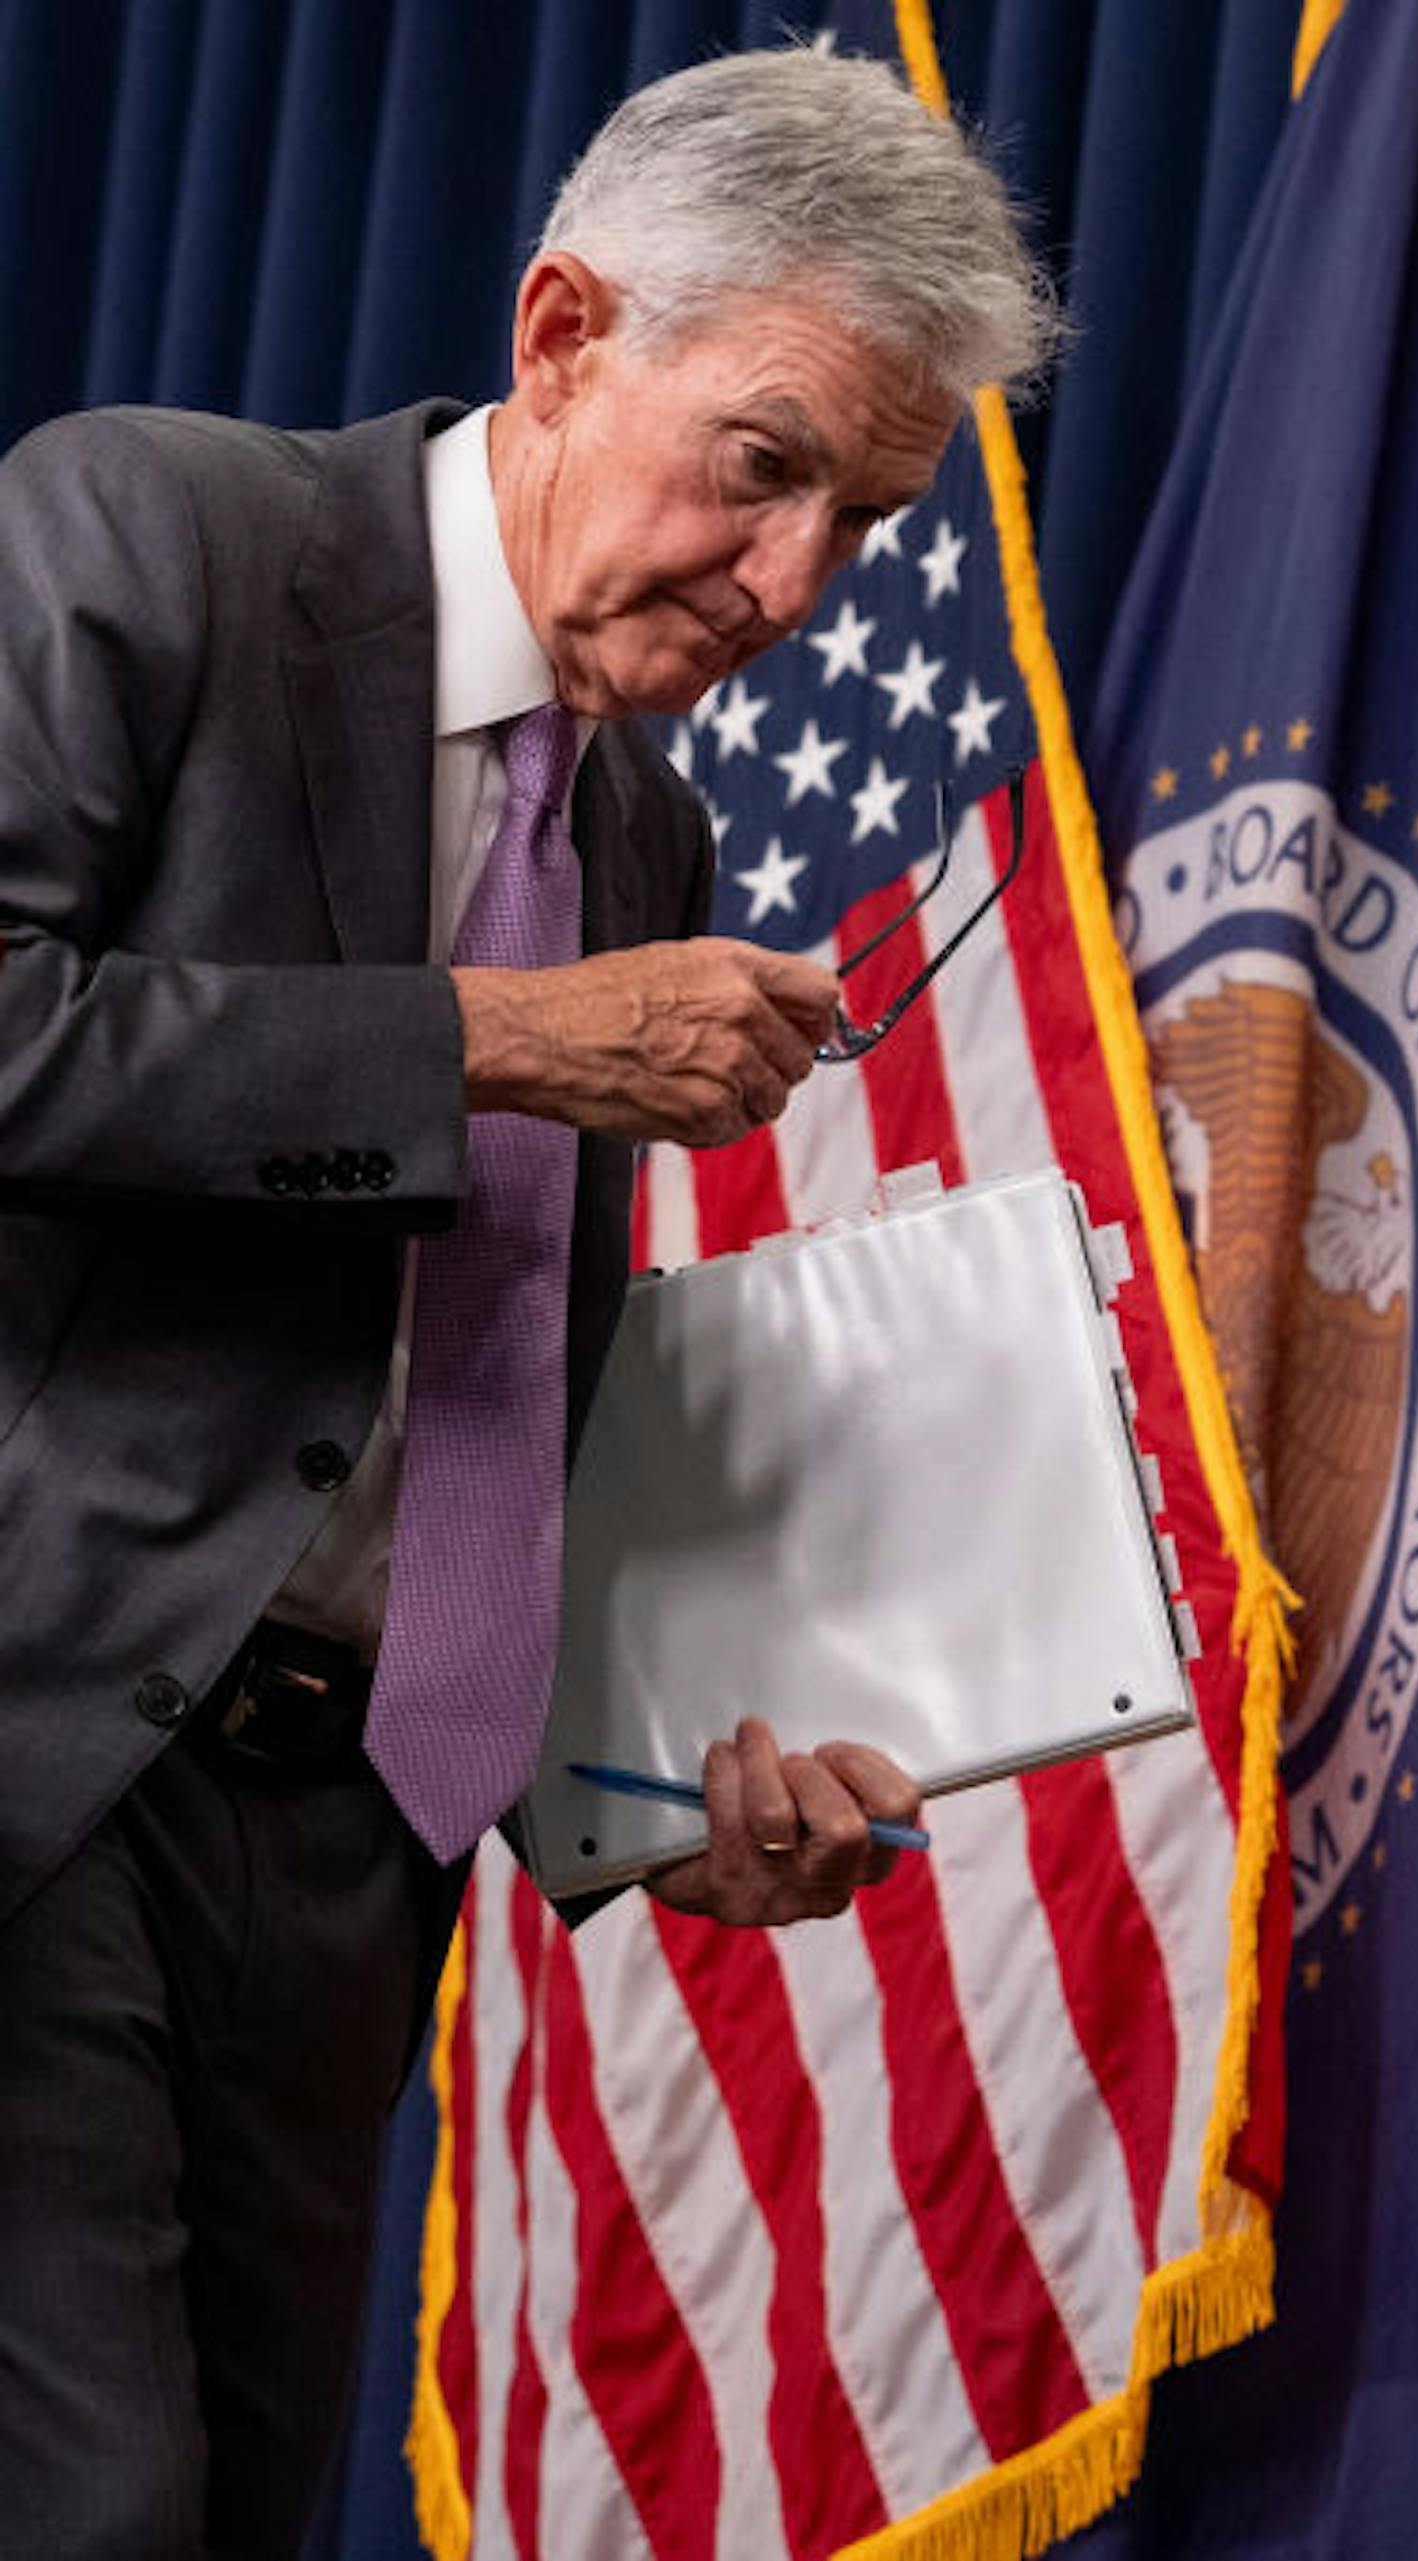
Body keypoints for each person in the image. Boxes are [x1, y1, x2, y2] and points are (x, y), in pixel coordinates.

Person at [0, 46, 1062, 2555]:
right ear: (566, 327)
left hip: (345, 1866)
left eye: (864, 524)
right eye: (765, 464)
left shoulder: (645, 821)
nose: (793, 588)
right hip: (44, 1756)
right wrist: (498, 1040)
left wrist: (660, 1787)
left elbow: (461, 1400)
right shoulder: (158, 531)